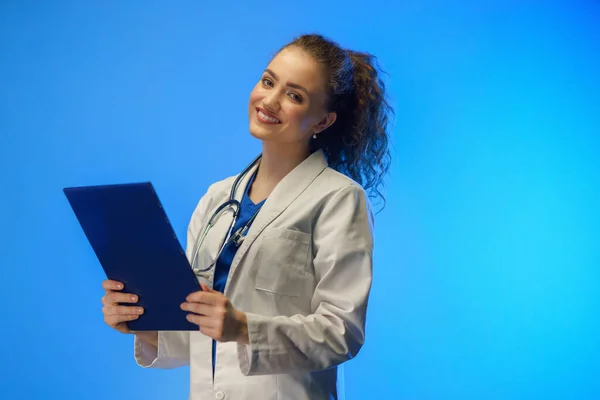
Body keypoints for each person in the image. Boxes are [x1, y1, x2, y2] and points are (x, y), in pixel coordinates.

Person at [100, 33, 393, 400]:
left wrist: (244, 329)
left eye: (295, 95)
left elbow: (341, 333)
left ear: (322, 120)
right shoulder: (217, 198)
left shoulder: (339, 199)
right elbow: (197, 326)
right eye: (268, 81)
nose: (270, 100)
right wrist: (142, 322)